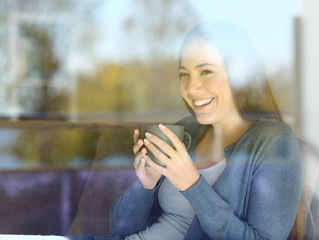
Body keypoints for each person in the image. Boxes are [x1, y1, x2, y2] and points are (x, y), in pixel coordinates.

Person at [69, 21, 304, 240]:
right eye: (184, 75)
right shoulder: (187, 130)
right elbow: (119, 227)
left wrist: (192, 184)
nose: (191, 87)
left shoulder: (275, 142)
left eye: (206, 71)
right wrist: (146, 185)